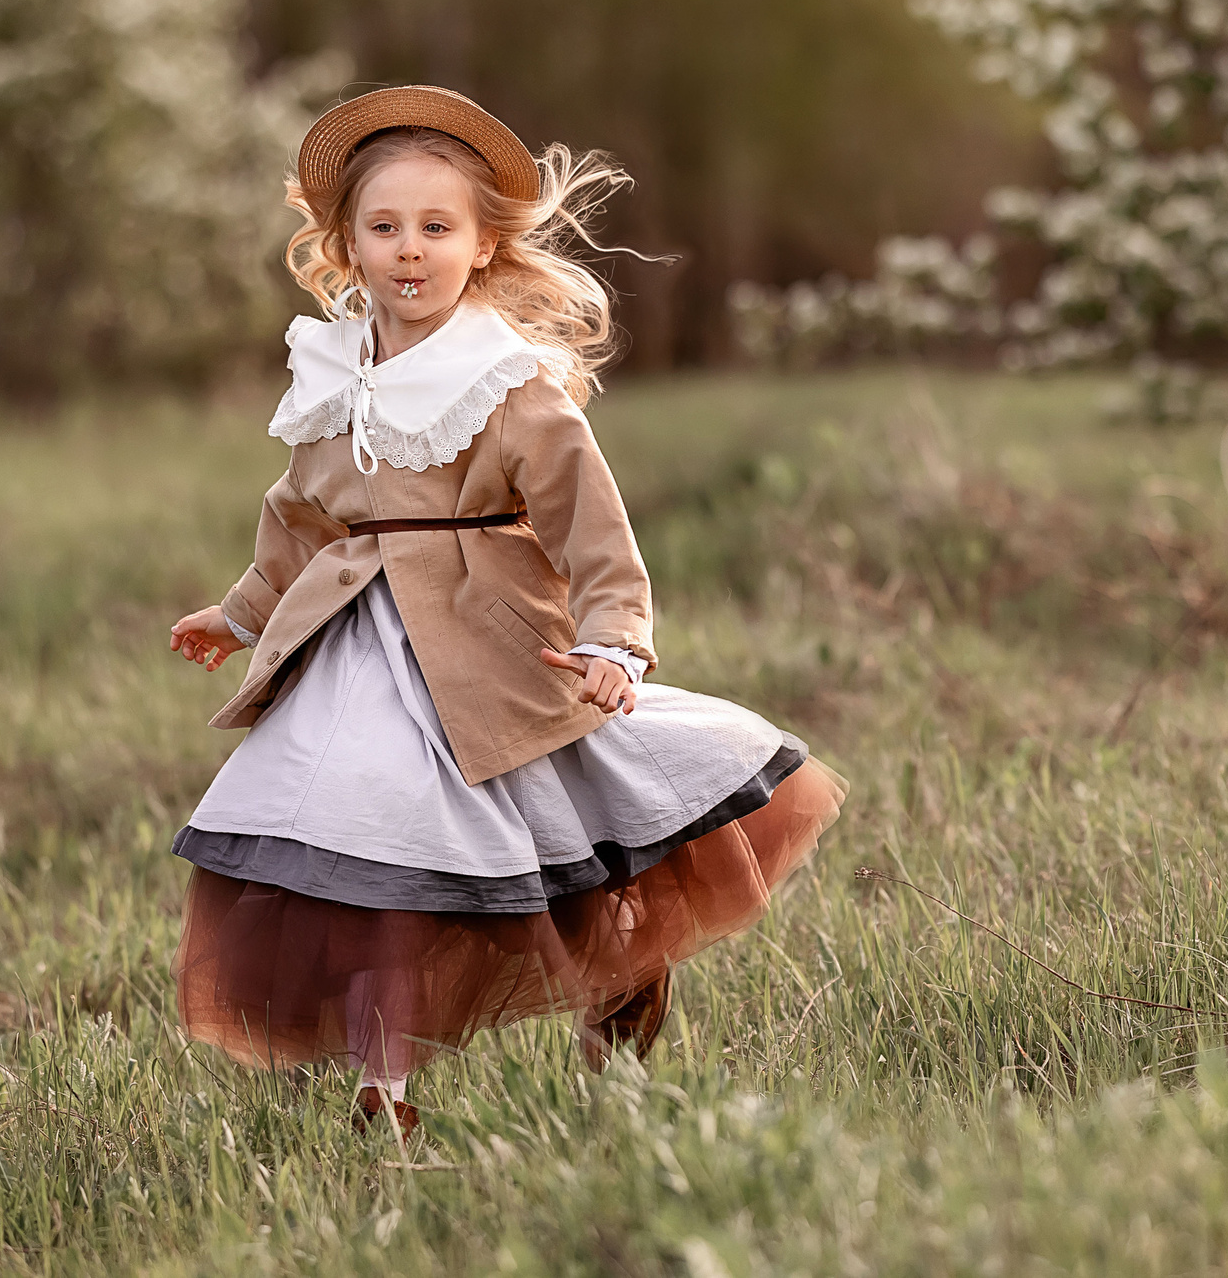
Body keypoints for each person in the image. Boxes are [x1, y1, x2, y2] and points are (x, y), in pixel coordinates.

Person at [166, 86, 845, 1136]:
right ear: (345, 245)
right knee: (369, 853)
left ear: (482, 246)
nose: (409, 249)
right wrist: (244, 611)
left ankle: (618, 981)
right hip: (357, 659)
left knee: (542, 851)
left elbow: (591, 529)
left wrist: (613, 638)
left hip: (490, 648)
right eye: (383, 227)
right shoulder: (333, 371)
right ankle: (385, 1089)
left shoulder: (505, 382)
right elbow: (303, 515)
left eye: (436, 227)